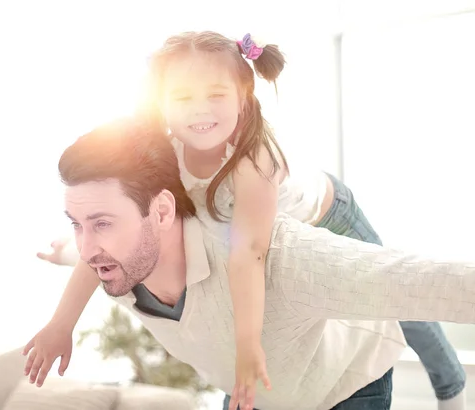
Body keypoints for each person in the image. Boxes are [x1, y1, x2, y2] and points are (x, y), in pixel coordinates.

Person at [33, 31, 466, 410]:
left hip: (327, 214)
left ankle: (451, 383)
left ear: (244, 95)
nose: (200, 111)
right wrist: (61, 315)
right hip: (255, 234)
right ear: (162, 103)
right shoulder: (165, 151)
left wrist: (247, 342)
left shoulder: (252, 159)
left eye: (215, 95)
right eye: (183, 98)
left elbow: (249, 253)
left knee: (394, 301)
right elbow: (132, 226)